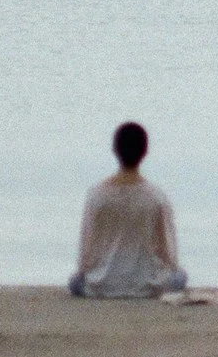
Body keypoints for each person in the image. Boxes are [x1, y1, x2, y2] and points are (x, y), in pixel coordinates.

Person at [69, 121, 187, 298]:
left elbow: (86, 250)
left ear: (115, 150)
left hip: (101, 285)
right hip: (148, 286)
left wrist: (85, 273)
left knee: (75, 282)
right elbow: (168, 254)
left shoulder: (96, 195)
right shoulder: (156, 197)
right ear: (145, 152)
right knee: (181, 276)